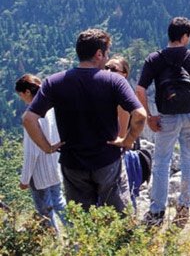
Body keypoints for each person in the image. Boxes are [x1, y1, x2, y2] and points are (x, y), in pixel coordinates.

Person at [22, 29, 147, 213]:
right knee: (118, 218)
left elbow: (29, 119)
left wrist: (47, 147)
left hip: (73, 164)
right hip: (107, 160)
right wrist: (127, 141)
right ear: (99, 53)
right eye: (107, 52)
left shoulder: (54, 82)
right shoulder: (114, 81)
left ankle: (87, 243)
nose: (107, 57)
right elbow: (140, 115)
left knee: (83, 222)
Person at [136, 16, 190, 228]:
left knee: (162, 162)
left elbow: (140, 90)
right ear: (184, 36)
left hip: (166, 118)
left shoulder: (154, 59)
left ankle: (157, 212)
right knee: (188, 161)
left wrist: (149, 116)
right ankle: (184, 208)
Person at [15, 74, 66, 232]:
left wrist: (24, 179)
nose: (21, 98)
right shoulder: (51, 110)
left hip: (39, 174)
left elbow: (31, 153)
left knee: (45, 212)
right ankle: (77, 236)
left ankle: (53, 243)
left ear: (27, 93)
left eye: (21, 94)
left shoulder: (30, 117)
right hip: (54, 167)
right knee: (60, 203)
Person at [105, 55, 151, 209]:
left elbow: (124, 125)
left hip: (123, 147)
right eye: (106, 68)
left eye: (113, 69)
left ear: (124, 73)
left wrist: (121, 142)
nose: (108, 71)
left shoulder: (121, 94)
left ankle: (128, 226)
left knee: (123, 192)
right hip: (124, 145)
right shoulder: (114, 90)